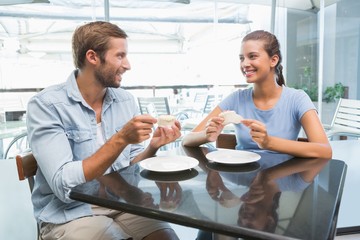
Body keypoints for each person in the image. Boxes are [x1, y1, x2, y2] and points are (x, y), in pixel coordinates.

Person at [26, 21, 182, 240]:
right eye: (120, 56)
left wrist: (153, 146)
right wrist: (121, 138)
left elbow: (129, 169)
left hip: (123, 203)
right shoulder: (46, 106)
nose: (127, 65)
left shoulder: (125, 100)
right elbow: (63, 186)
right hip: (71, 213)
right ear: (92, 57)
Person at [182, 30, 332, 159]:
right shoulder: (236, 99)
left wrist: (269, 142)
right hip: (242, 181)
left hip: (282, 182)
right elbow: (187, 140)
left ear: (273, 60)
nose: (244, 64)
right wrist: (207, 135)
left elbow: (325, 150)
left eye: (252, 56)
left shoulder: (297, 99)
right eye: (242, 58)